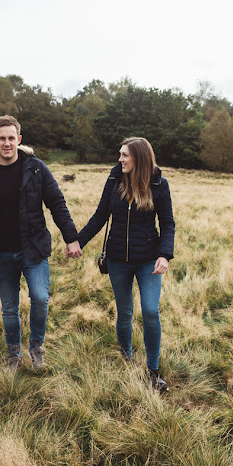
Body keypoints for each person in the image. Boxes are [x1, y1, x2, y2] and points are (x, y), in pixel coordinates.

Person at [0, 115, 82, 372]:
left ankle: (36, 348)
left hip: (33, 250)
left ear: (19, 139)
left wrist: (71, 237)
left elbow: (57, 204)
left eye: (11, 138)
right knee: (9, 308)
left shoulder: (36, 168)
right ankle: (14, 355)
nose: (7, 143)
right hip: (0, 253)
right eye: (2, 138)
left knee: (40, 298)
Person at [75, 137, 175, 392]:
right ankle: (126, 357)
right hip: (118, 258)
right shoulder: (114, 182)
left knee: (151, 312)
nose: (120, 159)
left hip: (149, 260)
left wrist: (164, 254)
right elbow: (100, 216)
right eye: (120, 154)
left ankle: (153, 371)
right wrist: (78, 242)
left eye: (124, 155)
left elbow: (168, 224)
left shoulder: (159, 185)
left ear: (138, 158)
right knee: (125, 312)